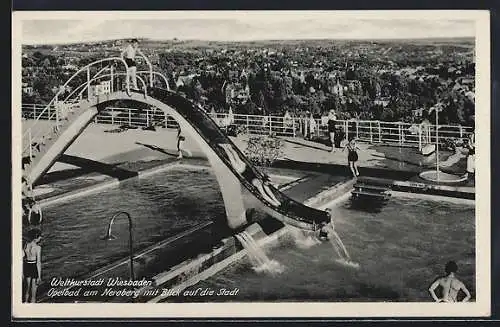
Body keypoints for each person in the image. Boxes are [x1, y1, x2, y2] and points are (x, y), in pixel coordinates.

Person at [23, 228, 42, 303]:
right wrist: (39, 276)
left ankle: (24, 304)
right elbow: (38, 263)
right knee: (33, 293)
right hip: (34, 267)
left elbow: (22, 257)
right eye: (40, 236)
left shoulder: (26, 245)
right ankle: (31, 308)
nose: (41, 238)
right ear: (36, 238)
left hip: (27, 266)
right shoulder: (38, 248)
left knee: (26, 290)